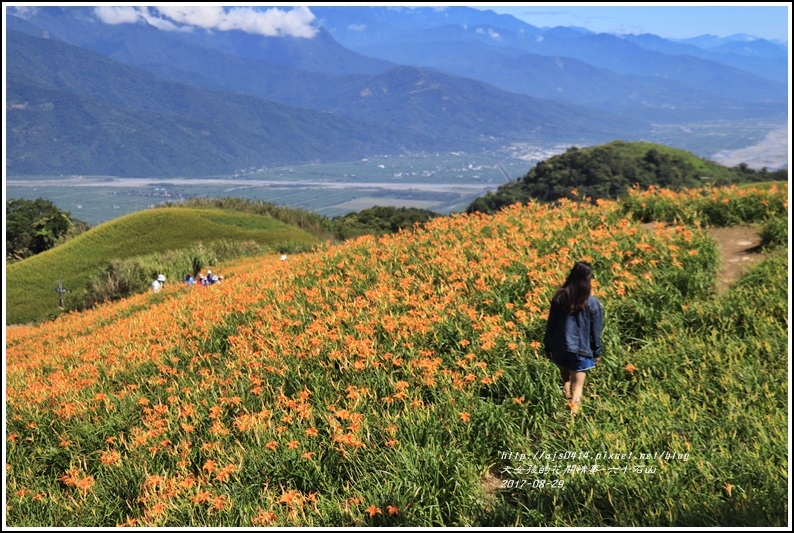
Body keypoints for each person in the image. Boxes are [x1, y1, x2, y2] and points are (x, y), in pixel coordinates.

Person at [544, 261, 604, 414]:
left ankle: (565, 405)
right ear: (588, 279)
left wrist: (548, 345)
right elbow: (596, 331)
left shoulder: (559, 297)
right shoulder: (592, 302)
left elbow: (551, 324)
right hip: (580, 350)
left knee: (566, 381)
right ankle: (571, 423)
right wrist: (597, 351)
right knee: (578, 389)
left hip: (559, 347)